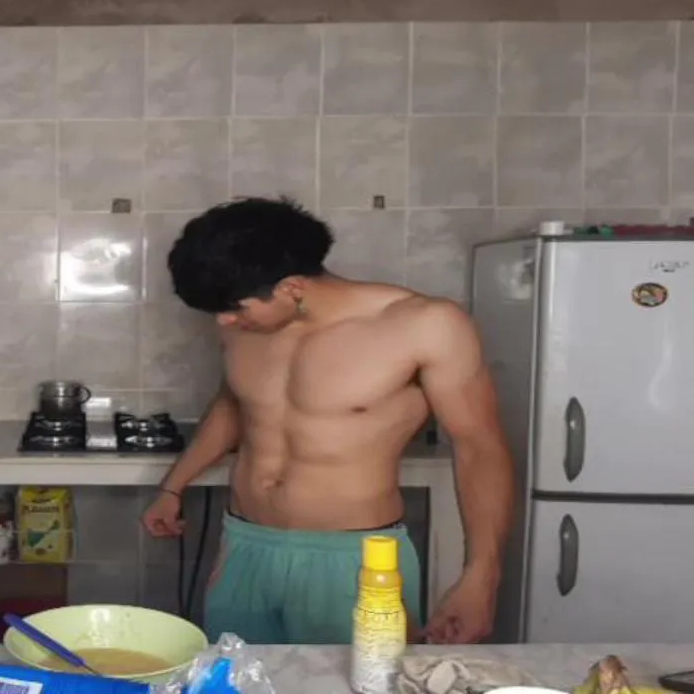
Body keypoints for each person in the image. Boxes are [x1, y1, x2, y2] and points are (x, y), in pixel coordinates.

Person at [142, 196, 513, 646]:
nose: (225, 320)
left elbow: (479, 446)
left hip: (353, 559)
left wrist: (483, 574)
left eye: (235, 307)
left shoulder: (424, 325)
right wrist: (173, 487)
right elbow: (235, 406)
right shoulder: (245, 329)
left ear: (291, 288)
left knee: (357, 679)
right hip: (245, 545)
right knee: (238, 676)